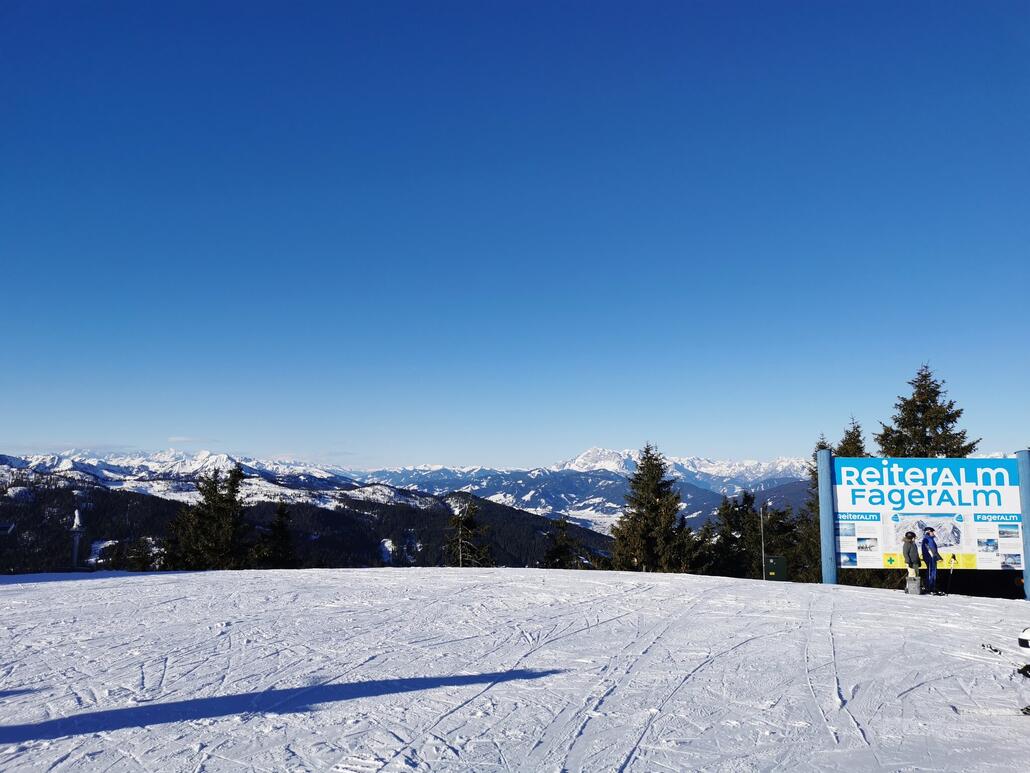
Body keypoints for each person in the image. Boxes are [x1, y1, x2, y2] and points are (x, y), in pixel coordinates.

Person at [921, 527, 943, 595]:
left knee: (932, 572)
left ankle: (931, 587)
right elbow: (932, 550)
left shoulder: (928, 539)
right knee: (931, 572)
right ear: (928, 532)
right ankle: (929, 588)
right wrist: (938, 557)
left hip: (931, 558)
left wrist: (938, 557)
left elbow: (933, 550)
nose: (934, 533)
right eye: (932, 532)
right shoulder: (928, 539)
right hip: (930, 558)